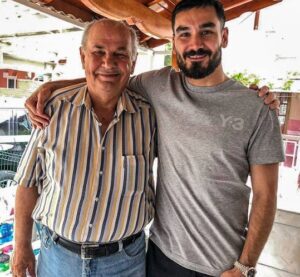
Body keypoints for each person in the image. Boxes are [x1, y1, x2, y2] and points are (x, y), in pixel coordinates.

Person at [25, 1, 284, 276]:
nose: (194, 44)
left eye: (206, 32)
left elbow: (266, 196)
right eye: (184, 33)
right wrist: (51, 86)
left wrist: (245, 266)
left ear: (224, 36)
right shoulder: (159, 86)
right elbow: (108, 75)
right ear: (175, 42)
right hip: (160, 256)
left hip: (222, 266)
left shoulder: (256, 108)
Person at [12, 19, 157, 277]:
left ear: (133, 61)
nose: (108, 62)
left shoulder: (150, 115)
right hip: (58, 258)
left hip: (126, 262)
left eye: (120, 54)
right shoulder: (51, 109)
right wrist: (21, 245)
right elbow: (28, 182)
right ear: (82, 56)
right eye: (98, 52)